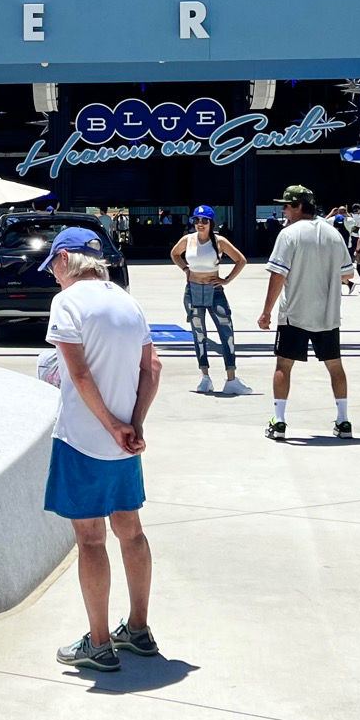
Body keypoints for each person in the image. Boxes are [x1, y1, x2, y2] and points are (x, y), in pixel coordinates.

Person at [40, 226, 162, 673]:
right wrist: (134, 424)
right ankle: (139, 628)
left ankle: (99, 642)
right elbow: (153, 366)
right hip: (126, 443)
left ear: (67, 258)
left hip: (82, 440)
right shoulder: (128, 300)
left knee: (90, 540)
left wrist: (110, 426)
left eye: (53, 264)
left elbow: (80, 376)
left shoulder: (67, 303)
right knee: (131, 531)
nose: (52, 275)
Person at [258, 185, 357, 441]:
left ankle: (279, 421)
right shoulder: (334, 234)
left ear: (300, 206)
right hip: (328, 314)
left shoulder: (289, 234)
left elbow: (278, 275)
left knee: (283, 365)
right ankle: (343, 420)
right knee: (335, 366)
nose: (283, 210)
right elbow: (348, 273)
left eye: (287, 205)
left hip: (295, 313)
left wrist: (266, 312)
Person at [169, 205, 250, 395]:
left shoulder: (219, 241)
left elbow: (241, 260)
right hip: (193, 291)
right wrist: (185, 269)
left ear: (211, 222)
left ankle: (231, 378)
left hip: (215, 291)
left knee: (226, 332)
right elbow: (174, 254)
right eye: (196, 220)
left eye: (204, 220)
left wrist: (227, 280)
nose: (200, 224)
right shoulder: (187, 240)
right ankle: (205, 377)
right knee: (198, 335)